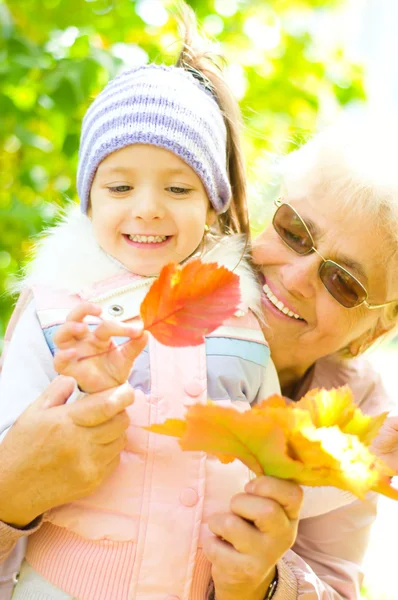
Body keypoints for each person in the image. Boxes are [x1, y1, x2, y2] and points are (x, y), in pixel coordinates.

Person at [0, 26, 284, 600]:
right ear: (90, 198)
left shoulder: (239, 319)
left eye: (178, 189)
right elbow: (12, 444)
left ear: (212, 203)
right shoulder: (58, 311)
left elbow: (273, 445)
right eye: (121, 186)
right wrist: (84, 393)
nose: (148, 209)